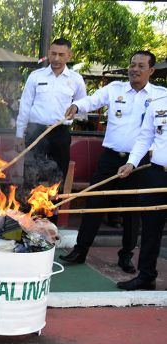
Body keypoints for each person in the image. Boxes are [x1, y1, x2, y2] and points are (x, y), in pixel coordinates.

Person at [60, 51, 164, 273]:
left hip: (140, 163)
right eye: (132, 64)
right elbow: (92, 100)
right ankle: (80, 250)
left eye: (140, 66)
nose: (134, 69)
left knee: (131, 211)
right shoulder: (115, 89)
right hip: (110, 158)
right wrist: (77, 106)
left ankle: (125, 256)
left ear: (151, 70)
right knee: (94, 202)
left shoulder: (159, 97)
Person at [114, 90, 167, 290]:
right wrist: (132, 163)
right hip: (157, 173)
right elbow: (145, 138)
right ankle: (146, 276)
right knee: (150, 228)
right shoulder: (158, 103)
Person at [15, 38, 87, 182]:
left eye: (61, 54)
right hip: (35, 131)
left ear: (69, 55)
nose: (56, 58)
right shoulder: (36, 76)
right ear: (48, 53)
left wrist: (75, 114)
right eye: (53, 53)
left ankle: (56, 204)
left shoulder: (76, 79)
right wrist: (19, 134)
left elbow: (83, 105)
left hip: (60, 133)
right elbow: (25, 106)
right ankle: (28, 204)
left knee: (58, 176)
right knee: (30, 175)